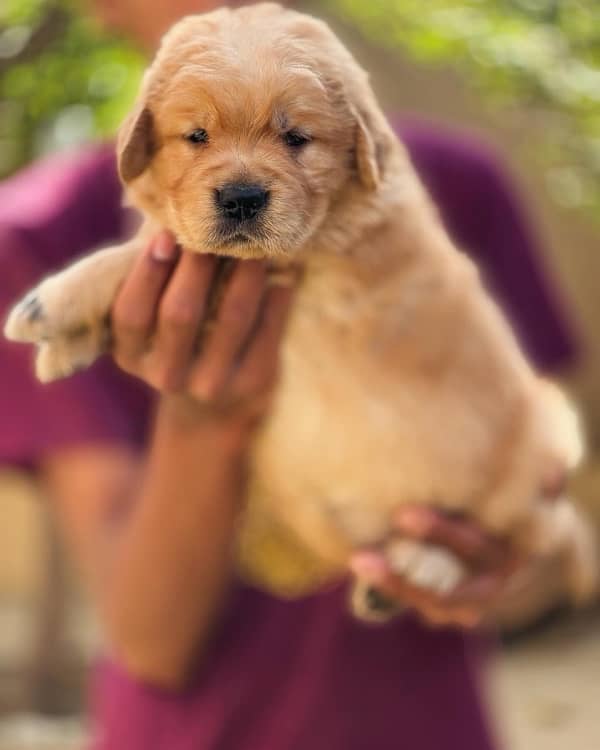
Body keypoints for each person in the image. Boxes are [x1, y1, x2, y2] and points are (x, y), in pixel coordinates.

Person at [0, 1, 578, 748]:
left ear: (357, 151)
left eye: (297, 139)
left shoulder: (463, 184)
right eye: (197, 137)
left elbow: (552, 491)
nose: (242, 179)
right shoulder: (38, 236)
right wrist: (203, 418)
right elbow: (146, 639)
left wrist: (512, 558)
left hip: (416, 725)